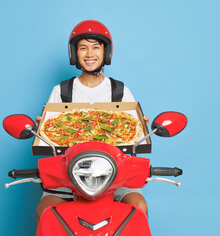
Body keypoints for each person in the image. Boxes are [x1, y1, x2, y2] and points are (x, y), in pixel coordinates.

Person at [36, 20, 148, 226]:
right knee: (45, 211)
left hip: (115, 176)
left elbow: (136, 141)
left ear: (106, 52)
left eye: (96, 47)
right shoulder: (61, 91)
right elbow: (47, 141)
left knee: (138, 205)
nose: (90, 54)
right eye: (83, 48)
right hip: (67, 176)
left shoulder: (120, 91)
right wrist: (41, 129)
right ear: (74, 53)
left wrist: (140, 126)